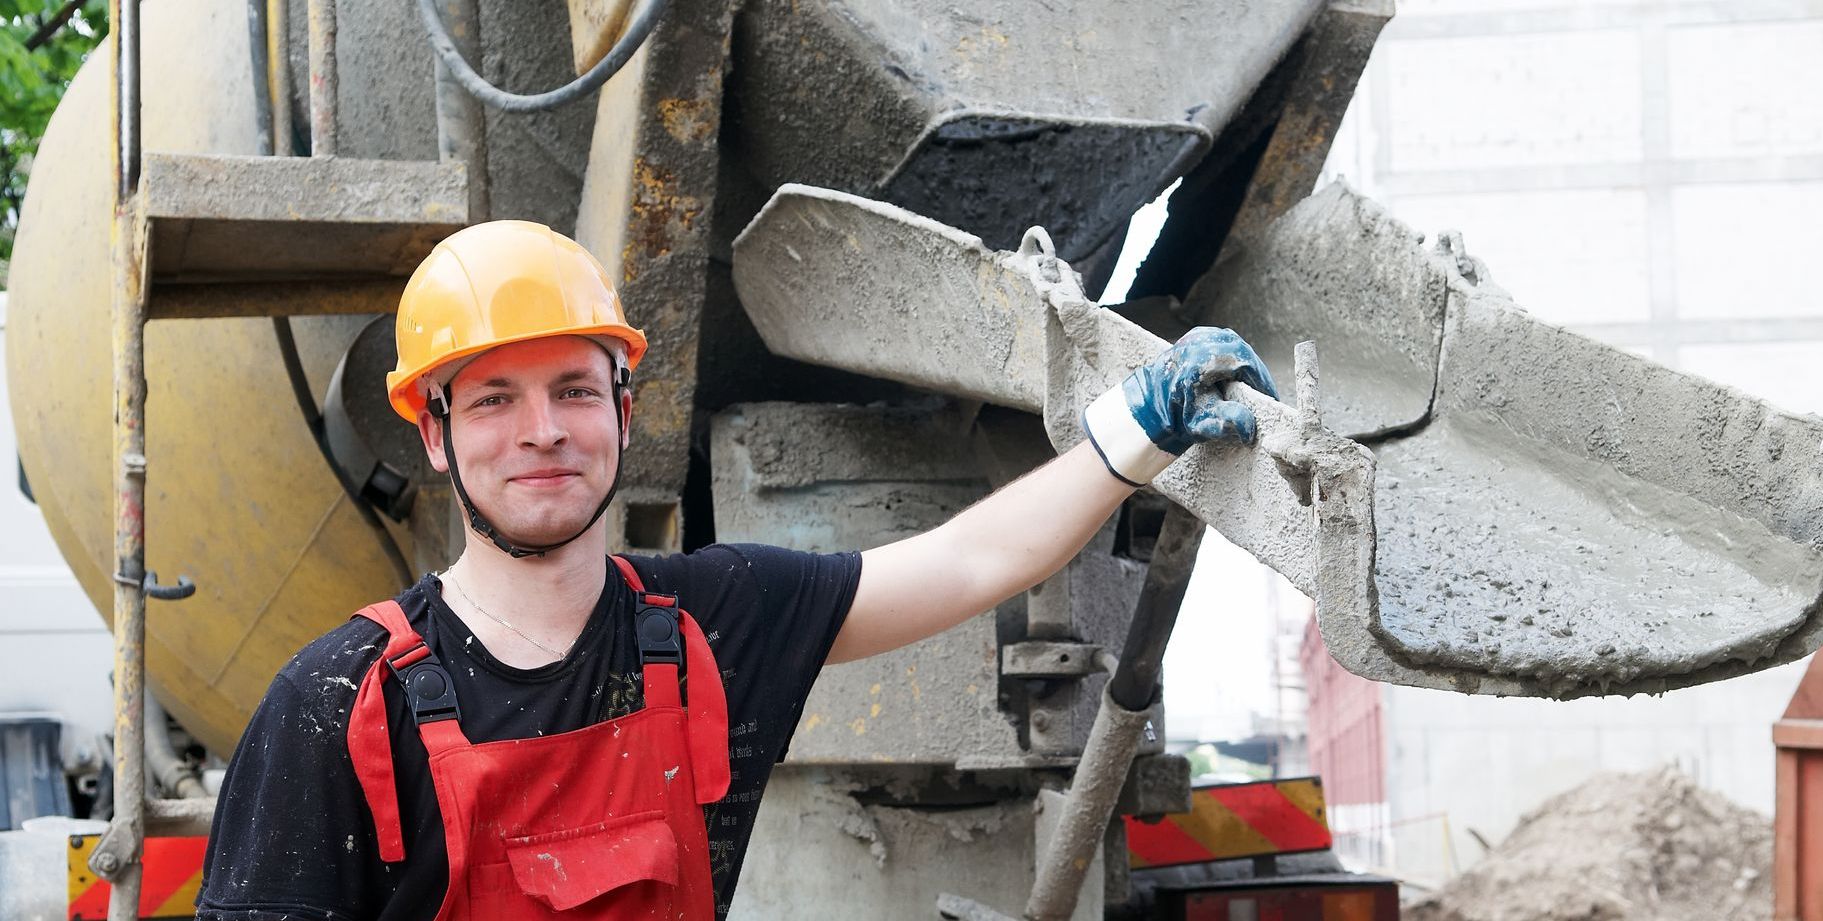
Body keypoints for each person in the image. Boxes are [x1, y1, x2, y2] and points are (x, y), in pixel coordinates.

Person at [195, 219, 1276, 920]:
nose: (543, 431)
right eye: (492, 399)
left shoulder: (710, 622)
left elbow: (971, 559)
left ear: (623, 412)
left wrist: (1139, 426)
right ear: (433, 435)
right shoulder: (340, 705)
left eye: (575, 390)